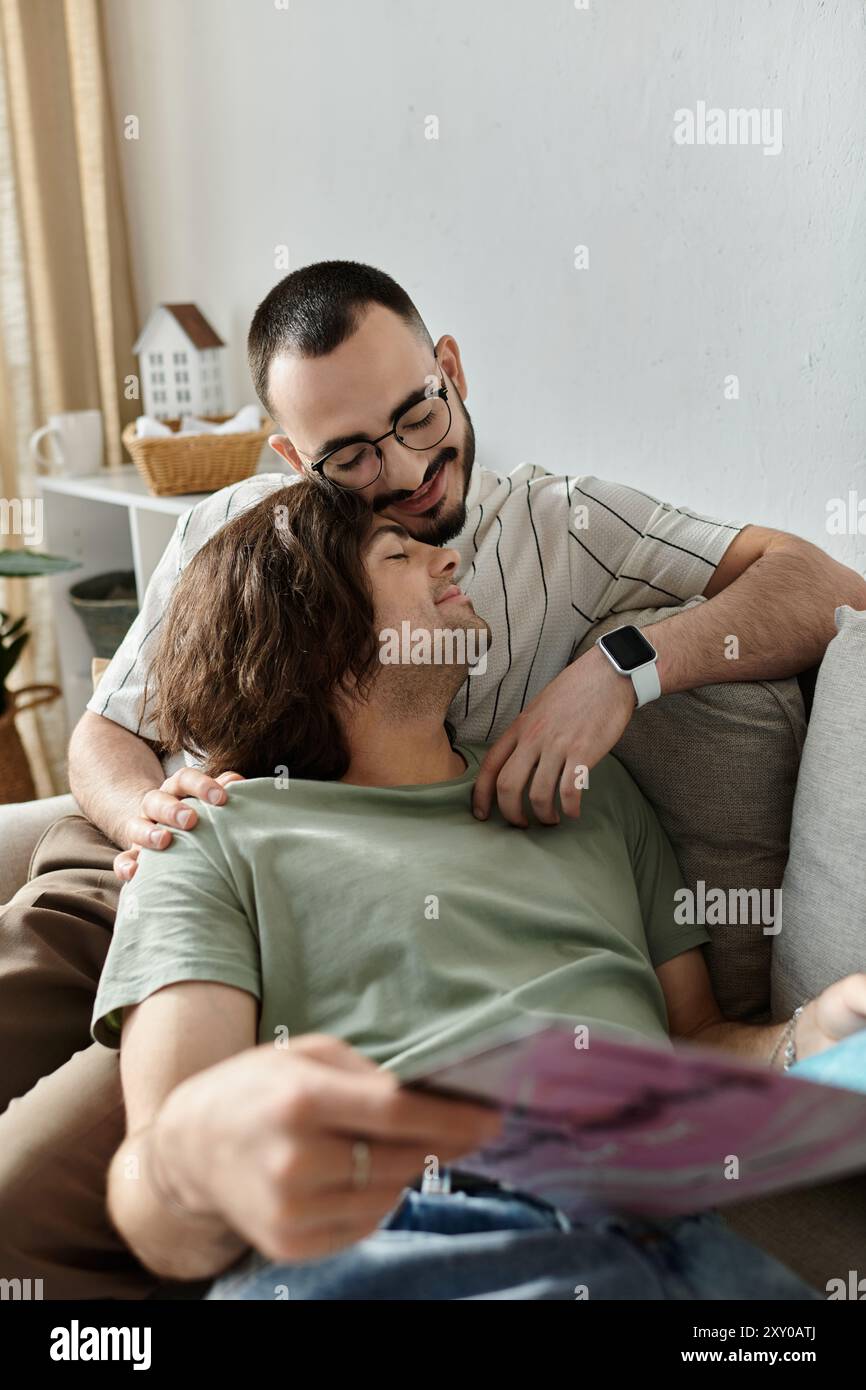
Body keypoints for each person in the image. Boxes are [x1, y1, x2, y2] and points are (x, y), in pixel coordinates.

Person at [2, 260, 865, 1298]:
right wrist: (154, 824)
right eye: (355, 457)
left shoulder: (565, 555)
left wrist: (622, 670)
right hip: (165, 835)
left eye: (417, 414)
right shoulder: (245, 540)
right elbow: (105, 732)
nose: (408, 473)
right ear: (294, 458)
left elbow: (823, 591)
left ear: (449, 370)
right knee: (36, 1192)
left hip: (641, 1235)